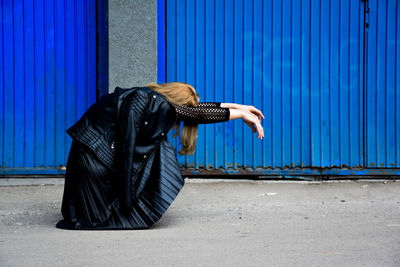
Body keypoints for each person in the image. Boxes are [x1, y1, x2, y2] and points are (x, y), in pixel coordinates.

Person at [56, 82, 264, 230]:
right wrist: (127, 201)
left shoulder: (149, 98)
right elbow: (192, 113)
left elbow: (195, 111)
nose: (182, 118)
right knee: (159, 146)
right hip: (91, 156)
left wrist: (239, 108)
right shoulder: (149, 101)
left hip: (89, 154)